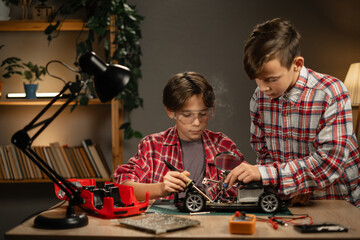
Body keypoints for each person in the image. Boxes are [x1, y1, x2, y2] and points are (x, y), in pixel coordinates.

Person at [225, 18, 360, 207]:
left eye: (271, 79)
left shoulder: (331, 93)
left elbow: (329, 162)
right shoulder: (259, 98)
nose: (263, 88)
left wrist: (268, 174)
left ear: (296, 64)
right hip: (293, 203)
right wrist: (289, 187)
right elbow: (264, 154)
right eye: (258, 79)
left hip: (338, 201)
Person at [114, 72, 244, 201]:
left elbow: (247, 189)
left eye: (203, 114)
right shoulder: (152, 146)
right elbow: (122, 188)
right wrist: (160, 189)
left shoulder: (222, 145)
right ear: (171, 112)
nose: (197, 123)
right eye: (187, 115)